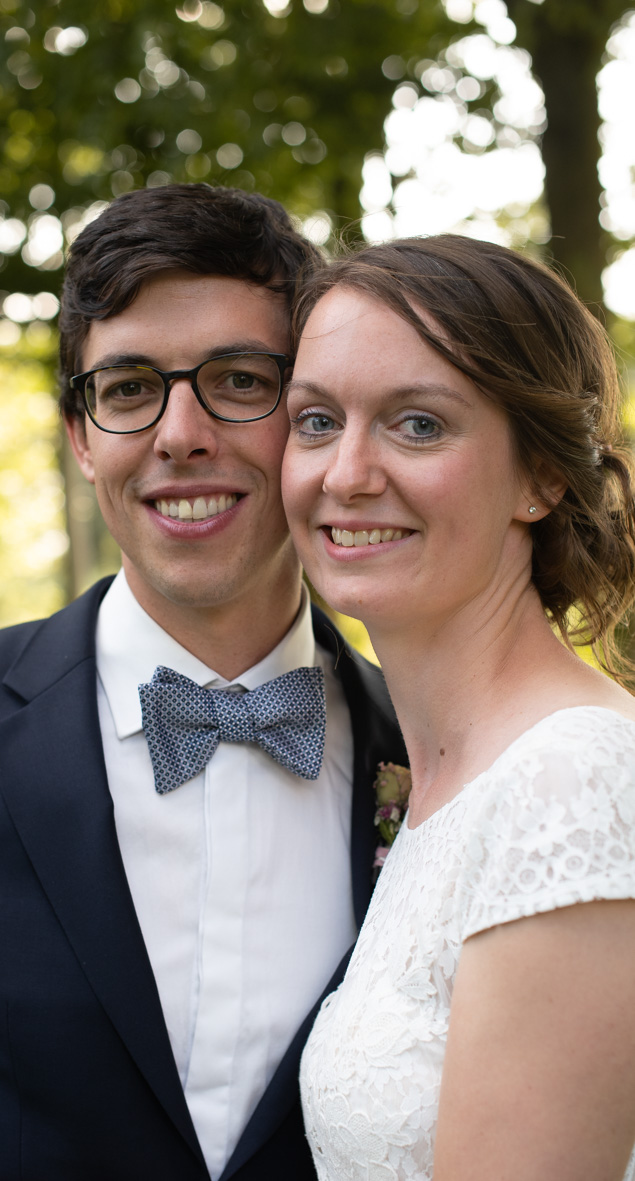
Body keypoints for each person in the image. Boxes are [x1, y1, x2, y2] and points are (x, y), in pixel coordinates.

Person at [0, 184, 405, 1181]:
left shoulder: (436, 747)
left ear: (313, 417)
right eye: (127, 387)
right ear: (79, 434)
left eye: (238, 379)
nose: (179, 432)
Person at [281, 234, 635, 1181]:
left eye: (418, 425)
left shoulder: (569, 781)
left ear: (541, 477)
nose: (345, 474)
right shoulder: (438, 769)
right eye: (315, 421)